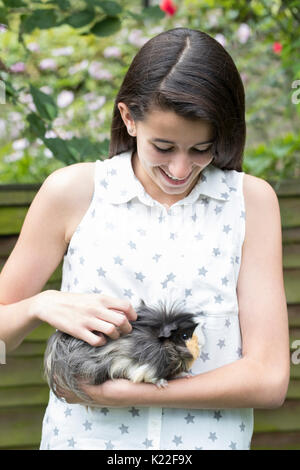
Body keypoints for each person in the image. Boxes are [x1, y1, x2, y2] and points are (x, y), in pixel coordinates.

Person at [0, 27, 290, 450]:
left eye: (201, 149)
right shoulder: (73, 192)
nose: (179, 169)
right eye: (163, 146)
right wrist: (40, 304)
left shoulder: (250, 204)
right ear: (128, 118)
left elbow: (269, 378)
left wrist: (125, 393)